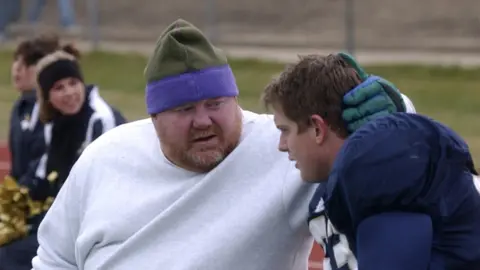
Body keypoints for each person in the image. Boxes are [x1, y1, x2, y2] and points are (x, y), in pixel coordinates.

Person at [31, 19, 413, 270]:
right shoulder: (106, 156)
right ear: (155, 118)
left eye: (215, 104)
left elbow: (394, 154)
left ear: (235, 101)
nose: (203, 121)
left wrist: (392, 113)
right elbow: (53, 257)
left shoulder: (284, 148)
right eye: (184, 109)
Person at [263, 53, 480, 269]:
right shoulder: (354, 175)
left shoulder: (378, 170)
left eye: (285, 130)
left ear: (318, 129)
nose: (281, 145)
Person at [0, 46, 126, 270]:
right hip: (65, 216)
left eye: (73, 83)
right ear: (47, 97)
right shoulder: (55, 123)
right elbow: (45, 174)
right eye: (58, 88)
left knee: (11, 257)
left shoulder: (101, 120)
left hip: (99, 224)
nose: (69, 92)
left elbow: (108, 186)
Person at [8, 34, 61, 184]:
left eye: (26, 64)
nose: (17, 69)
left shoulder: (53, 108)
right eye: (16, 60)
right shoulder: (20, 107)